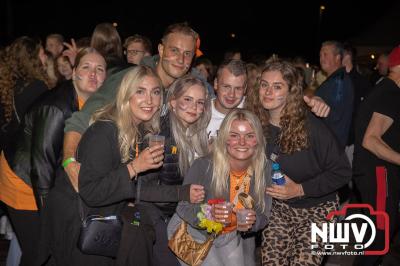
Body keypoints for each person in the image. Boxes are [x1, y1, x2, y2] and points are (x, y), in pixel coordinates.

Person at [45, 66, 204, 265]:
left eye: (155, 92)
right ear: (126, 94)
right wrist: (134, 167)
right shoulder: (104, 130)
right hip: (77, 222)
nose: (149, 100)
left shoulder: (137, 132)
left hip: (103, 220)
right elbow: (91, 192)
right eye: (140, 91)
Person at [62, 22, 199, 191]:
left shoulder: (181, 90)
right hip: (98, 184)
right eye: (175, 50)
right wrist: (69, 162)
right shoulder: (130, 78)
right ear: (161, 50)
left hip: (130, 190)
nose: (181, 59)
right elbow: (80, 120)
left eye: (188, 54)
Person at [246, 59, 351, 265]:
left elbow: (343, 171)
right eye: (265, 85)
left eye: (277, 87)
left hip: (318, 206)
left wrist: (300, 189)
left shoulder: (311, 126)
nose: (268, 92)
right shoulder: (256, 125)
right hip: (279, 208)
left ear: (291, 91)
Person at [168, 109, 272, 266]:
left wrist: (251, 222)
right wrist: (209, 215)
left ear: (257, 140)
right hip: (192, 231)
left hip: (231, 234)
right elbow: (183, 207)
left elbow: (263, 215)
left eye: (249, 136)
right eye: (234, 135)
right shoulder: (204, 165)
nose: (242, 142)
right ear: (224, 138)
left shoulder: (264, 168)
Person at [139, 74, 211, 265]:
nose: (194, 107)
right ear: (172, 102)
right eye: (187, 100)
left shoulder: (197, 135)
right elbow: (141, 190)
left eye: (200, 102)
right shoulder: (159, 135)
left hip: (179, 215)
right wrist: (182, 194)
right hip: (157, 217)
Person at [0, 36, 51, 266]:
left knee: (29, 245)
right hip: (24, 175)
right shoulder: (37, 87)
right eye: (41, 53)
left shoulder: (10, 85)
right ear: (32, 58)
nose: (45, 57)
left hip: (8, 168)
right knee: (36, 250)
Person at [352, 45, 400, 266]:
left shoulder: (387, 90)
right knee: (379, 238)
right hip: (379, 174)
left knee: (379, 237)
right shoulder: (390, 93)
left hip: (378, 174)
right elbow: (370, 140)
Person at [316, 40, 354, 149]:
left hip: (330, 148)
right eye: (320, 55)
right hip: (328, 146)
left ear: (337, 57)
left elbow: (334, 117)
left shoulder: (339, 81)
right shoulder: (335, 80)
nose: (321, 58)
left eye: (325, 55)